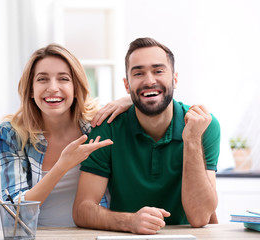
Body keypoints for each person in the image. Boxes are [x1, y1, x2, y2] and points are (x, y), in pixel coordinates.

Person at [73, 37, 221, 234]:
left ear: (174, 79)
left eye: (158, 71)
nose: (150, 80)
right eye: (139, 73)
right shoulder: (107, 128)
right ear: (127, 85)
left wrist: (192, 139)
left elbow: (200, 216)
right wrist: (130, 222)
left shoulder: (204, 126)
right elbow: (82, 210)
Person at [0, 43, 132, 227]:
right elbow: (14, 212)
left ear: (76, 87)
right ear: (30, 90)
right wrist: (62, 165)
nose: (53, 88)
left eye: (63, 79)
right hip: (37, 236)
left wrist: (130, 99)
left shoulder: (98, 125)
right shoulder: (11, 133)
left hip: (92, 233)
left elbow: (153, 103)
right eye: (42, 79)